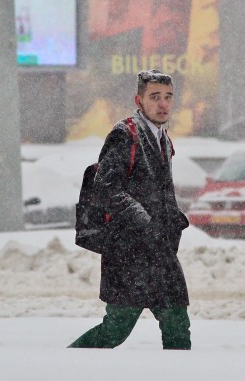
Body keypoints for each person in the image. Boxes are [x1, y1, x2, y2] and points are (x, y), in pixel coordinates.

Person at [68, 69, 191, 350]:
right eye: (155, 97)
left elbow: (158, 191)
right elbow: (106, 188)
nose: (163, 104)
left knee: (177, 323)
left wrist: (173, 220)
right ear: (139, 100)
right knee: (116, 328)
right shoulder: (125, 135)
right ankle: (69, 364)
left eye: (168, 97)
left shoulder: (163, 138)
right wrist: (143, 219)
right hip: (128, 251)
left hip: (159, 249)